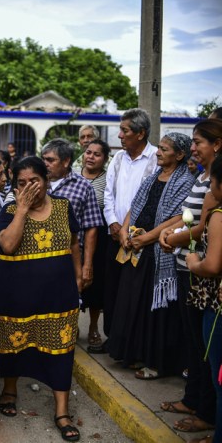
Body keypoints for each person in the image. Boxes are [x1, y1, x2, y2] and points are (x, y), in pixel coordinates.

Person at [0, 156, 82, 442]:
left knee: (61, 351)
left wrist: (80, 278)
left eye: (35, 181)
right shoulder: (9, 210)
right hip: (16, 297)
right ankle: (9, 390)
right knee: (13, 347)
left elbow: (74, 243)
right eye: (21, 183)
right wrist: (21, 209)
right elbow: (6, 245)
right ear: (15, 187)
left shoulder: (64, 208)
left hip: (58, 297)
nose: (29, 187)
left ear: (47, 180)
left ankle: (62, 411)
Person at [108, 133, 195, 380]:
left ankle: (155, 362)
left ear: (179, 155)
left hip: (156, 252)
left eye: (164, 149)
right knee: (133, 304)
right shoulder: (152, 177)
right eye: (159, 148)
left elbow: (178, 218)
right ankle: (135, 354)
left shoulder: (185, 182)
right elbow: (135, 207)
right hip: (135, 249)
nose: (158, 152)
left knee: (153, 310)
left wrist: (147, 238)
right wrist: (125, 231)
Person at [159, 118, 221, 435]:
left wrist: (173, 238)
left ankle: (206, 412)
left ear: (217, 144)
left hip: (199, 273)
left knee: (203, 348)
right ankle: (192, 398)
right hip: (186, 266)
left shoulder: (217, 182)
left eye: (198, 142)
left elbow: (204, 227)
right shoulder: (202, 177)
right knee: (192, 343)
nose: (193, 147)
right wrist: (172, 233)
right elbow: (190, 222)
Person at [94, 108, 158, 354]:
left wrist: (130, 233)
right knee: (111, 289)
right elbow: (108, 194)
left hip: (140, 240)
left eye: (125, 130)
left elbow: (148, 199)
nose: (120, 136)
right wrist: (113, 223)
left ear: (141, 133)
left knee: (133, 294)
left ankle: (130, 344)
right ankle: (113, 339)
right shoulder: (119, 158)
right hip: (115, 235)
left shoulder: (154, 158)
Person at [185, 153, 222, 443]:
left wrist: (194, 260)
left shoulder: (219, 216)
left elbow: (211, 266)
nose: (208, 190)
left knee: (218, 375)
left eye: (211, 184)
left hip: (218, 307)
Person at [42, 138, 103, 305]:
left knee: (67, 304)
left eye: (50, 160)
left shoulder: (83, 186)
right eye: (43, 159)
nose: (45, 164)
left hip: (69, 257)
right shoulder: (36, 183)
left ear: (66, 161)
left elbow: (91, 228)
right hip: (38, 255)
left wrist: (87, 266)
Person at [80, 139, 111, 348]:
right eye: (88, 152)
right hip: (73, 237)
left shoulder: (109, 180)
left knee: (95, 285)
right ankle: (71, 325)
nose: (91, 157)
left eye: (96, 154)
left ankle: (93, 327)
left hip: (98, 238)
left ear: (105, 159)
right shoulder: (72, 177)